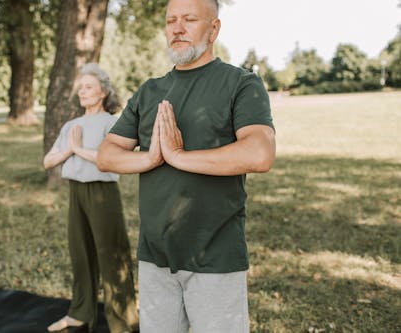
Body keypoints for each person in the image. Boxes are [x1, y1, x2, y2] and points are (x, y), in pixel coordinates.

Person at [96, 0, 276, 332]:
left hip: (215, 256)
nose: (177, 28)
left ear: (214, 29)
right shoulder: (150, 91)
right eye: (171, 21)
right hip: (155, 255)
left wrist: (179, 157)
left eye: (190, 19)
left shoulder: (241, 83)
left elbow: (260, 153)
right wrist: (151, 157)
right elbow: (107, 154)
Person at [44, 63, 139, 333]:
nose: (82, 92)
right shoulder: (71, 125)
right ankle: (80, 313)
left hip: (102, 193)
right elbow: (48, 160)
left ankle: (124, 322)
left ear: (103, 92)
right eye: (80, 87)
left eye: (88, 87)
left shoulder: (112, 123)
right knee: (80, 253)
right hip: (76, 192)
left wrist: (76, 149)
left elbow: (110, 159)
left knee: (112, 254)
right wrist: (69, 150)